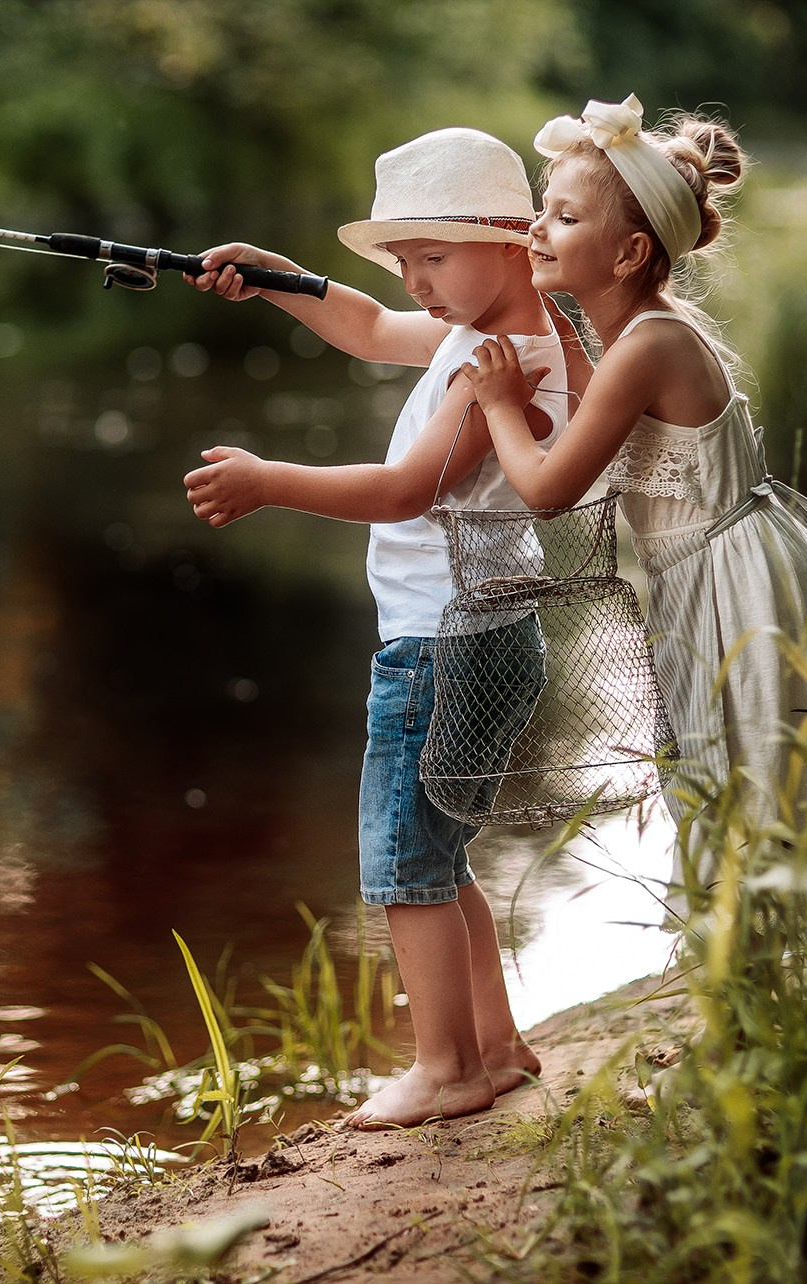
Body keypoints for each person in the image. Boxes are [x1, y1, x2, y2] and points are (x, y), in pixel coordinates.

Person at [182, 127, 579, 1128]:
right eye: (404, 263)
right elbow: (362, 328)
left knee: (406, 863)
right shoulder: (490, 330)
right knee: (441, 855)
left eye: (431, 259)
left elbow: (408, 490)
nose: (414, 285)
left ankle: (444, 1068)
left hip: (443, 647)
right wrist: (279, 280)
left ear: (510, 239)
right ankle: (495, 1047)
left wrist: (270, 481)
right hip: (490, 633)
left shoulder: (506, 359)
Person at [459, 96, 807, 905]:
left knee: (755, 776)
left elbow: (546, 491)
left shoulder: (647, 347)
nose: (537, 230)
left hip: (733, 580)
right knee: (720, 772)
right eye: (543, 211)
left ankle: (785, 964)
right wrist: (291, 286)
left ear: (630, 251)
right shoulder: (633, 331)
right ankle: (755, 964)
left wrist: (498, 404)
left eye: (563, 218)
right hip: (706, 572)